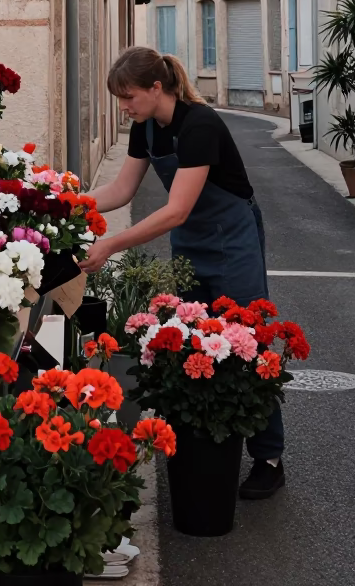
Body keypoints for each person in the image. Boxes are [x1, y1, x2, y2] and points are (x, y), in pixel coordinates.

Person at [81, 45, 285, 500]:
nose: (124, 106)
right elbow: (120, 188)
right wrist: (65, 202)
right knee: (197, 342)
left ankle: (268, 457)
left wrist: (111, 243)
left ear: (157, 88)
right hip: (192, 242)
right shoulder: (145, 128)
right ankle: (210, 444)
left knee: (246, 342)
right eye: (120, 98)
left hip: (231, 240)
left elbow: (176, 210)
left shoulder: (200, 125)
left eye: (129, 96)